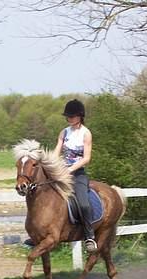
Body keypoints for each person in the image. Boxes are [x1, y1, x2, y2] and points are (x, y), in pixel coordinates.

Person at [53, 99, 96, 252]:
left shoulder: (86, 134)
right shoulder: (64, 133)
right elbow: (57, 152)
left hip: (77, 174)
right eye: (67, 117)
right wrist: (51, 166)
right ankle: (39, 232)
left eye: (71, 116)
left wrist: (70, 170)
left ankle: (89, 236)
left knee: (83, 204)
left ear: (79, 116)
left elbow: (86, 158)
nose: (69, 119)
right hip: (60, 173)